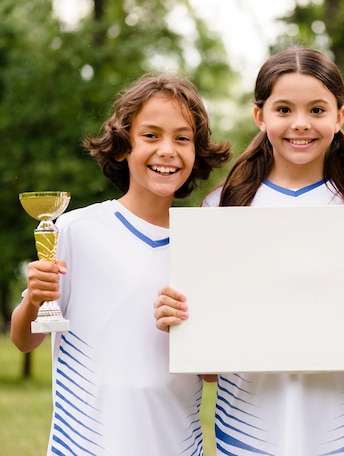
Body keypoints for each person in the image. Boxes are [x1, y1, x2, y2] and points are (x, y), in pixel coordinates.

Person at [154, 47, 344, 455]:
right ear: (260, 116)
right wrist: (182, 323)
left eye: (316, 110)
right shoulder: (222, 208)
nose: (300, 124)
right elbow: (208, 370)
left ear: (339, 117)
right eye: (284, 109)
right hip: (248, 428)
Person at [11, 73, 231, 455]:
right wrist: (34, 298)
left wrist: (187, 327)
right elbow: (24, 339)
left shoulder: (204, 243)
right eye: (150, 135)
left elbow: (211, 374)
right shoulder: (75, 229)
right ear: (121, 147)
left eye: (182, 138)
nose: (167, 150)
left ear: (197, 151)